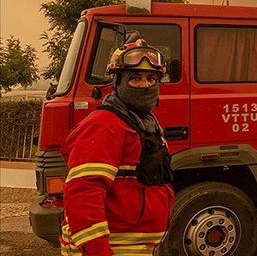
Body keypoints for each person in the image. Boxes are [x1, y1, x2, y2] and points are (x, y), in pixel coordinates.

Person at [59, 39, 174, 256]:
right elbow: (84, 195)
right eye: (135, 79)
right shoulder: (103, 126)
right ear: (118, 82)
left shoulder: (145, 124)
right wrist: (98, 252)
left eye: (151, 79)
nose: (146, 85)